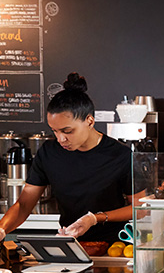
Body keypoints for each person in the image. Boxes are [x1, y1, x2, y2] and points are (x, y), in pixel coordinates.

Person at [0, 73, 141, 243]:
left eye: (67, 131)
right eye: (55, 131)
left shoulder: (120, 155)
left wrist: (94, 218)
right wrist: (2, 229)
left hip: (113, 247)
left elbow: (139, 208)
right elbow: (23, 205)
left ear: (89, 121)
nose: (60, 139)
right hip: (69, 244)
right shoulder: (49, 153)